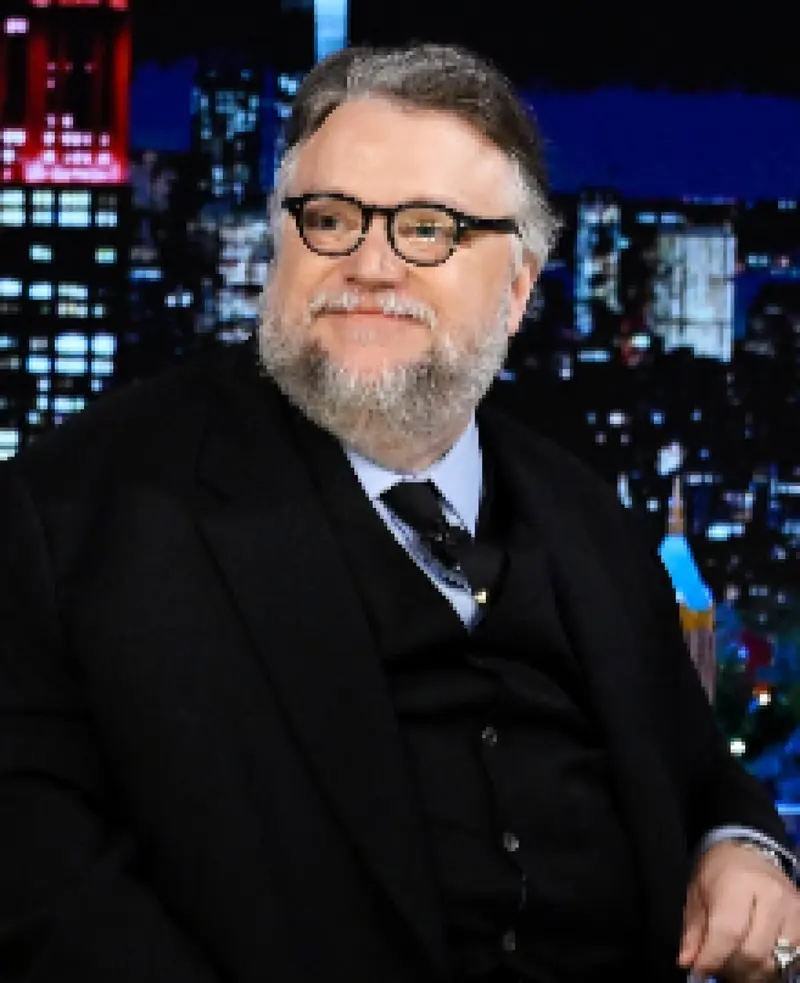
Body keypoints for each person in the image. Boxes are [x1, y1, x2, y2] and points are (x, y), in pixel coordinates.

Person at [0, 43, 798, 983]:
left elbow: (702, 773)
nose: (370, 264)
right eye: (330, 219)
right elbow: (40, 895)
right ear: (280, 245)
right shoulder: (72, 520)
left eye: (428, 228)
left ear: (518, 289)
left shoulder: (592, 520)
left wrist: (747, 848)